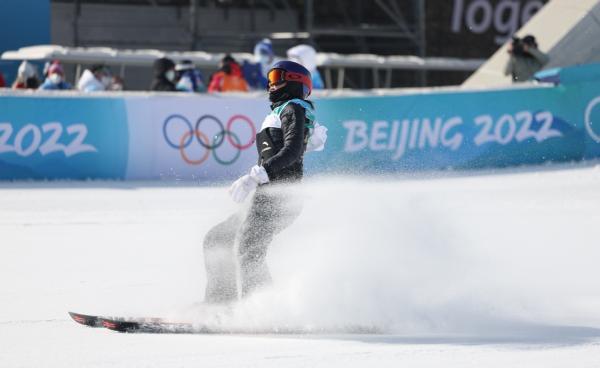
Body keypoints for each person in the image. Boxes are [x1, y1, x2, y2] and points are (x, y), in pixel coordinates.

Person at [203, 60, 327, 304]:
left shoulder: (294, 107)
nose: (271, 85)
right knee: (217, 239)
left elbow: (291, 152)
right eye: (270, 78)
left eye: (277, 77)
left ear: (294, 82)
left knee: (249, 249)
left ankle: (262, 310)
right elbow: (292, 148)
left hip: (279, 197)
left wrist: (256, 175)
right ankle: (220, 303)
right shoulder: (281, 112)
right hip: (265, 195)